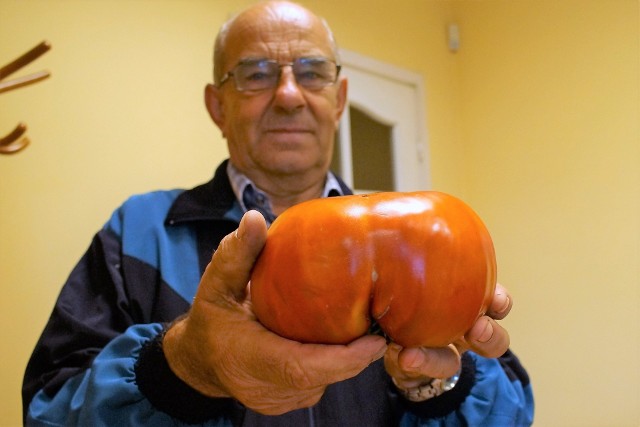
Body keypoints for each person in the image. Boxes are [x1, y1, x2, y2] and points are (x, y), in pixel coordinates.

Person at [22, 1, 534, 425]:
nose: (289, 95)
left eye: (312, 72)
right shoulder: (139, 234)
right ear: (217, 106)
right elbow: (48, 411)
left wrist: (440, 381)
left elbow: (513, 415)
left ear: (339, 98)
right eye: (256, 73)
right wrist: (183, 365)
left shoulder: (428, 241)